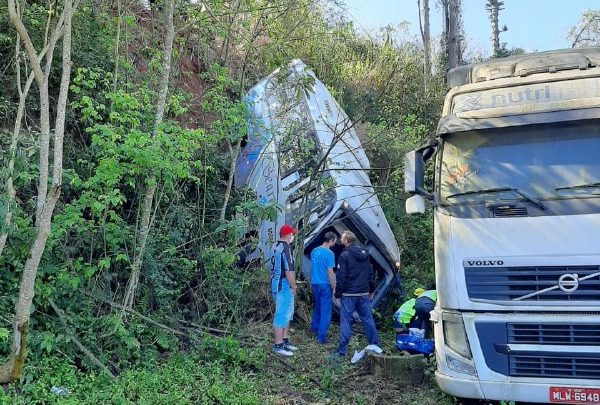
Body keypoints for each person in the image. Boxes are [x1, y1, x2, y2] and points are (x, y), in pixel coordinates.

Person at [334, 230, 380, 357]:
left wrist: (338, 294)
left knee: (345, 320)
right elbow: (370, 273)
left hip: (348, 294)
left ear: (347, 241)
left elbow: (341, 277)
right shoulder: (365, 254)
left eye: (342, 238)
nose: (340, 240)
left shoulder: (344, 255)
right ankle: (375, 345)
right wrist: (371, 290)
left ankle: (342, 350)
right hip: (363, 293)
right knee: (367, 319)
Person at [270, 224, 299, 356]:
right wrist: (294, 286)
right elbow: (288, 271)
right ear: (287, 235)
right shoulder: (286, 248)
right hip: (283, 285)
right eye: (292, 234)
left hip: (276, 283)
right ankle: (278, 345)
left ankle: (285, 340)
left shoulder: (276, 245)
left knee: (287, 313)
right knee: (281, 314)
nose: (293, 236)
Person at [309, 232, 337, 343]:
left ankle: (314, 329)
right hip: (325, 284)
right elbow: (330, 272)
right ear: (331, 240)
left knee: (318, 307)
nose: (335, 243)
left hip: (315, 283)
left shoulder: (314, 251)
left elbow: (312, 267)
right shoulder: (329, 253)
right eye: (334, 240)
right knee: (326, 311)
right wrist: (334, 287)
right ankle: (321, 337)